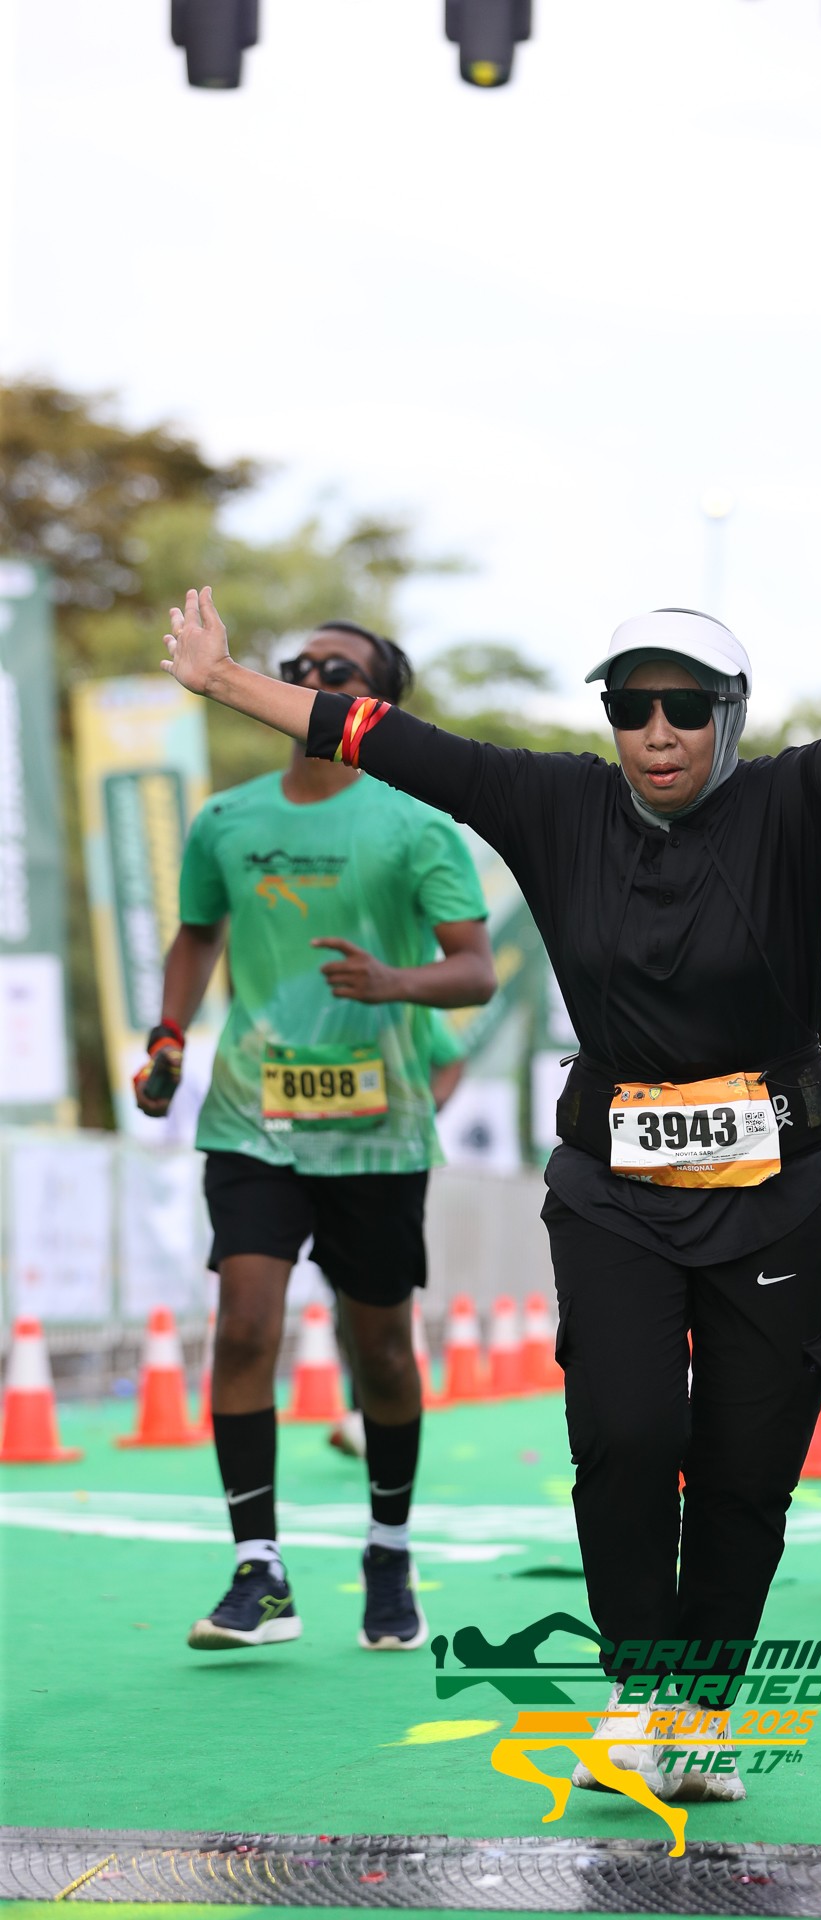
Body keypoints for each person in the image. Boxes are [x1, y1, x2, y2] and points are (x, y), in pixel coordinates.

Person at [160, 526, 821, 1801]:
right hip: (614, 1191)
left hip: (780, 1191)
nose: (656, 732)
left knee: (747, 1466)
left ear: (728, 717)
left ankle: (698, 1718)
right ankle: (641, 1694)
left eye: (685, 709)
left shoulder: (790, 801)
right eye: (631, 708)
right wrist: (223, 681)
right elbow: (379, 736)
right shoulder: (552, 804)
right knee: (627, 1431)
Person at [133, 620, 496, 1652]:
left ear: (379, 704)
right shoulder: (225, 819)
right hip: (253, 1116)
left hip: (377, 1129)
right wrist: (168, 1035)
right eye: (297, 668)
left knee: (378, 1347)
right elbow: (198, 933)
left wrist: (394, 983)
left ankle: (388, 1549)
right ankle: (259, 1570)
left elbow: (473, 970)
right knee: (245, 1326)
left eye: (339, 672)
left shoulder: (417, 825)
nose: (309, 680)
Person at [329, 1007, 469, 1460]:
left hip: (389, 1165)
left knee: (380, 1304)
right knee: (342, 1299)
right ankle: (361, 1409)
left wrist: (428, 1107)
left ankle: (376, 1418)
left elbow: (452, 1057)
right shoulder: (314, 1005)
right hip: (323, 1160)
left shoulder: (408, 1003)